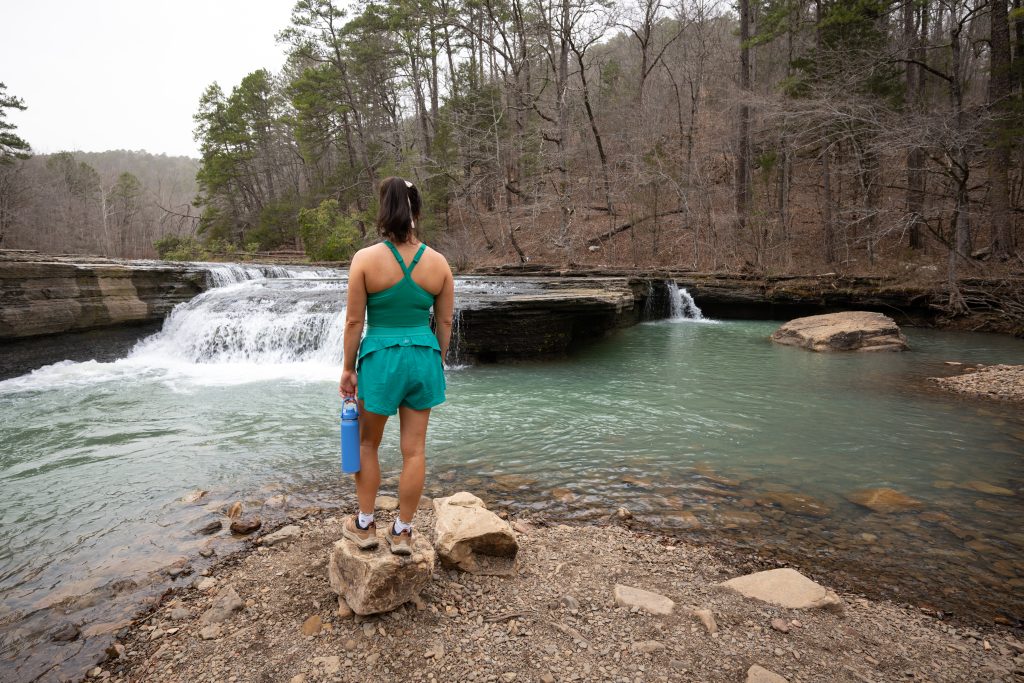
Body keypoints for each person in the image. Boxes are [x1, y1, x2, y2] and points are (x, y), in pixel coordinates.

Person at [338, 177, 454, 555]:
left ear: (384, 211)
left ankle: (366, 525)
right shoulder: (439, 264)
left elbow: (355, 322)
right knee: (415, 450)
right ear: (416, 211)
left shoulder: (365, 260)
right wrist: (438, 359)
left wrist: (348, 368)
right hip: (422, 357)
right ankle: (403, 532)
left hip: (381, 359)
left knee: (368, 443)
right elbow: (446, 322)